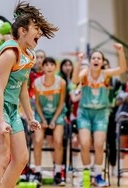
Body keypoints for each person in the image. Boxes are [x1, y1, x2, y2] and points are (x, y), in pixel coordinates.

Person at [0, 2, 58, 187]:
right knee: (2, 157)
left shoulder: (28, 55)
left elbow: (22, 89)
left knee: (21, 158)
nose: (39, 33)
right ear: (22, 31)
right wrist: (0, 121)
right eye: (35, 29)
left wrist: (31, 117)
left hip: (11, 107)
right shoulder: (9, 53)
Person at [72, 43, 127, 187]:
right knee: (84, 144)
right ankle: (86, 176)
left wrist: (120, 52)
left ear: (102, 62)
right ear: (90, 61)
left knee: (98, 144)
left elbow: (122, 69)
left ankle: (97, 175)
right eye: (93, 58)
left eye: (99, 58)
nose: (96, 60)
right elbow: (74, 81)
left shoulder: (106, 75)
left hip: (101, 114)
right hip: (84, 113)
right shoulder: (85, 72)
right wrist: (78, 62)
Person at [33, 57, 66, 186]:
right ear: (43, 68)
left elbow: (61, 103)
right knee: (37, 140)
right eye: (46, 65)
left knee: (58, 141)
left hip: (57, 114)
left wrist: (53, 120)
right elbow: (37, 104)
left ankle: (58, 173)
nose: (49, 67)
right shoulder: (36, 83)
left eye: (52, 64)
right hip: (41, 114)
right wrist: (42, 119)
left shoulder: (61, 82)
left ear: (55, 67)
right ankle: (37, 172)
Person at [102, 58, 122, 176]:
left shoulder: (116, 82)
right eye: (103, 66)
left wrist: (111, 105)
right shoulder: (96, 80)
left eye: (106, 65)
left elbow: (118, 98)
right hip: (98, 113)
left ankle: (113, 166)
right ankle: (95, 168)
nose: (105, 67)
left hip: (111, 115)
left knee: (111, 141)